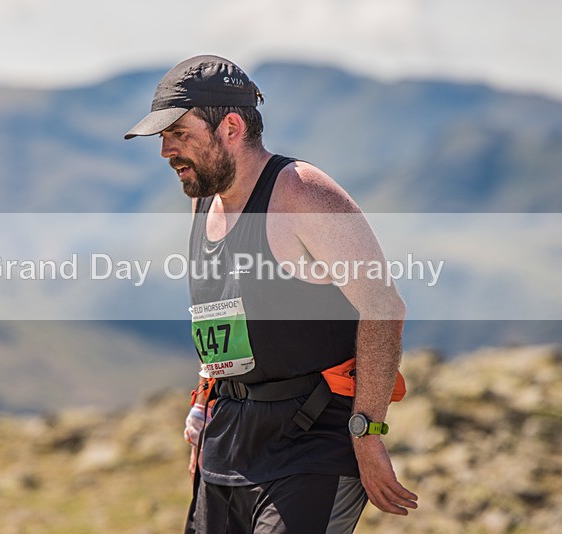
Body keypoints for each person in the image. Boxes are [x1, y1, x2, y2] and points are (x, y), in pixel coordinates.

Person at [124, 55, 417, 533]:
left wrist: (367, 433)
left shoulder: (303, 195)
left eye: (179, 134)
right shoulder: (203, 199)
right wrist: (203, 403)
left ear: (232, 127)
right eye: (162, 137)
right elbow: (225, 311)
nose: (165, 152)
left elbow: (383, 307)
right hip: (228, 437)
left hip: (310, 442)